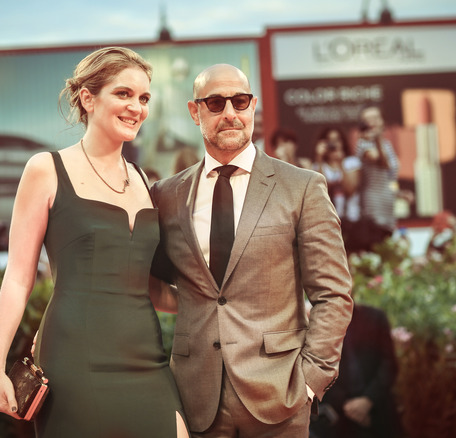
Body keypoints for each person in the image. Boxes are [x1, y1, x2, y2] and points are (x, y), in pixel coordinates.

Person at [0, 47, 188, 438]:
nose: (137, 107)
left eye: (144, 98)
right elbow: (18, 277)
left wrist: (218, 301)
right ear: (88, 98)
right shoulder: (46, 169)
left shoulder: (144, 180)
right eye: (124, 94)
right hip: (75, 358)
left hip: (147, 358)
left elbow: (149, 286)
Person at [150, 63, 353, 437]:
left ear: (253, 106)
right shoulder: (167, 195)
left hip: (281, 398)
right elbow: (151, 284)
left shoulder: (302, 187)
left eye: (239, 101)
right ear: (195, 112)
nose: (230, 113)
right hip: (195, 399)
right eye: (215, 103)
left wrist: (311, 380)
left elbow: (333, 294)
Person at [312, 303, 403, 438]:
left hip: (377, 412)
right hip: (336, 419)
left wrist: (368, 399)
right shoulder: (314, 325)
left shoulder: (374, 317)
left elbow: (389, 365)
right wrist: (346, 406)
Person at [355, 106, 399, 249]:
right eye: (367, 120)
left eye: (375, 118)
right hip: (373, 207)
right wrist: (377, 138)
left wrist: (398, 193)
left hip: (388, 206)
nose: (372, 122)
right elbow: (382, 162)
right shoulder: (363, 144)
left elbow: (390, 176)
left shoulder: (386, 144)